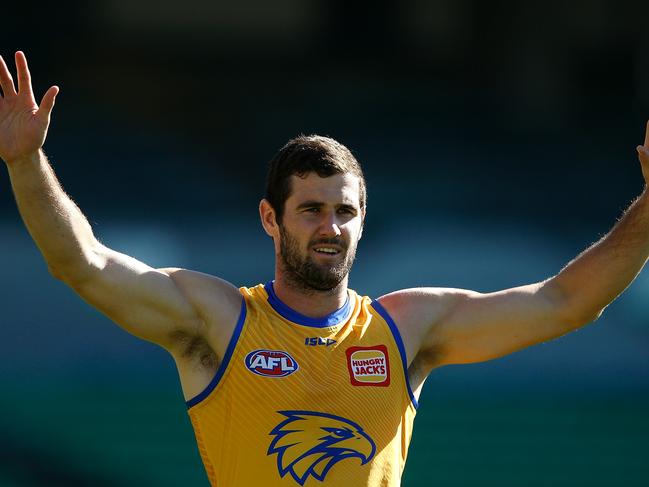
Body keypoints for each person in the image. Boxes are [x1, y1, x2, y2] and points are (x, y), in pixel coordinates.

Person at [1, 51, 648, 487]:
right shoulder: (217, 318)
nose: (330, 227)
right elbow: (81, 263)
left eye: (345, 211)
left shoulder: (405, 327)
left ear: (363, 220)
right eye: (310, 209)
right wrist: (26, 163)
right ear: (268, 218)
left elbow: (565, 301)